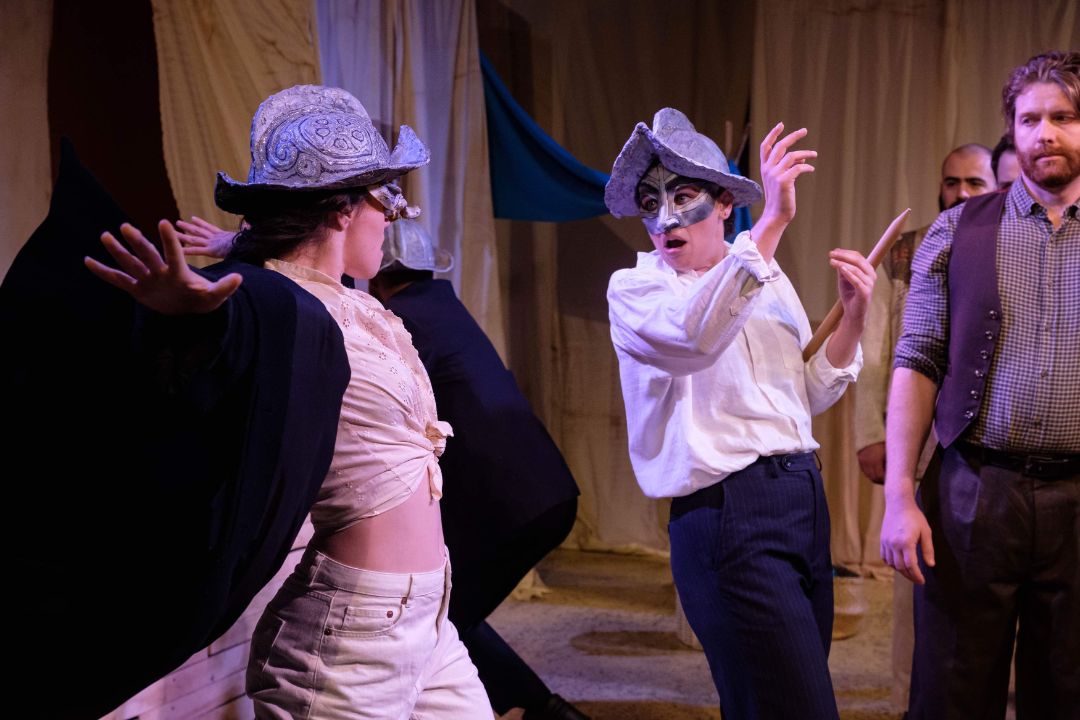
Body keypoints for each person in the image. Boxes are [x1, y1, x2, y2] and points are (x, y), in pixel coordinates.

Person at [89, 85, 494, 719]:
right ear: (342, 208)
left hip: (431, 620)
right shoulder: (278, 304)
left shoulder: (352, 301)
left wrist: (233, 248)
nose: (393, 216)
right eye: (384, 196)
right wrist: (191, 317)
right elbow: (249, 327)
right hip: (351, 634)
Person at [605, 108, 875, 718]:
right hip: (727, 510)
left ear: (725, 203)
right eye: (650, 203)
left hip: (800, 497)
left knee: (784, 699)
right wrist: (771, 223)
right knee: (794, 708)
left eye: (684, 197)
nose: (665, 219)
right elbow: (696, 337)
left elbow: (805, 396)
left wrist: (854, 319)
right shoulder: (637, 289)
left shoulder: (763, 275)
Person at [881, 51, 1080, 719]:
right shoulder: (956, 230)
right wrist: (899, 495)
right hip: (974, 490)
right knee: (952, 692)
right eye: (1029, 120)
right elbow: (916, 359)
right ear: (1012, 129)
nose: (1044, 134)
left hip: (1078, 497)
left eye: (1063, 117)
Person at [854, 144, 997, 712]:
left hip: (990, 448)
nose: (961, 193)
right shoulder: (909, 250)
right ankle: (905, 697)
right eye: (951, 182)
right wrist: (870, 433)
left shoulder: (1012, 243)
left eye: (974, 182)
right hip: (922, 442)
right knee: (918, 575)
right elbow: (878, 350)